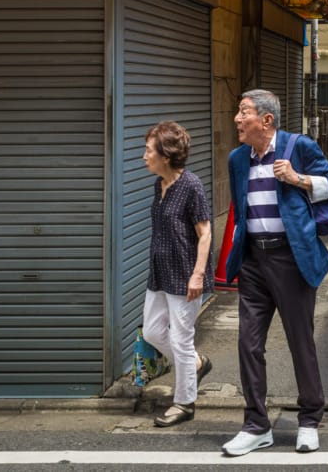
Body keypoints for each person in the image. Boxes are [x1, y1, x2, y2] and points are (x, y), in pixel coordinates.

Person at [220, 89, 328, 457]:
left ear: (267, 120)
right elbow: (240, 210)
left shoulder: (298, 147)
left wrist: (298, 178)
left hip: (291, 259)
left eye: (244, 113)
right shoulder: (237, 159)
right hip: (254, 261)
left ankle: (309, 420)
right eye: (239, 113)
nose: (238, 119)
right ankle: (257, 425)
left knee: (299, 341)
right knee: (248, 343)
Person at [141, 121, 214, 428]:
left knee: (182, 341)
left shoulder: (191, 185)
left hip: (185, 274)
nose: (144, 156)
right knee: (152, 332)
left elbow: (206, 233)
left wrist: (198, 275)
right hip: (159, 272)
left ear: (166, 156)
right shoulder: (159, 184)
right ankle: (196, 364)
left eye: (148, 150)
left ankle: (184, 402)